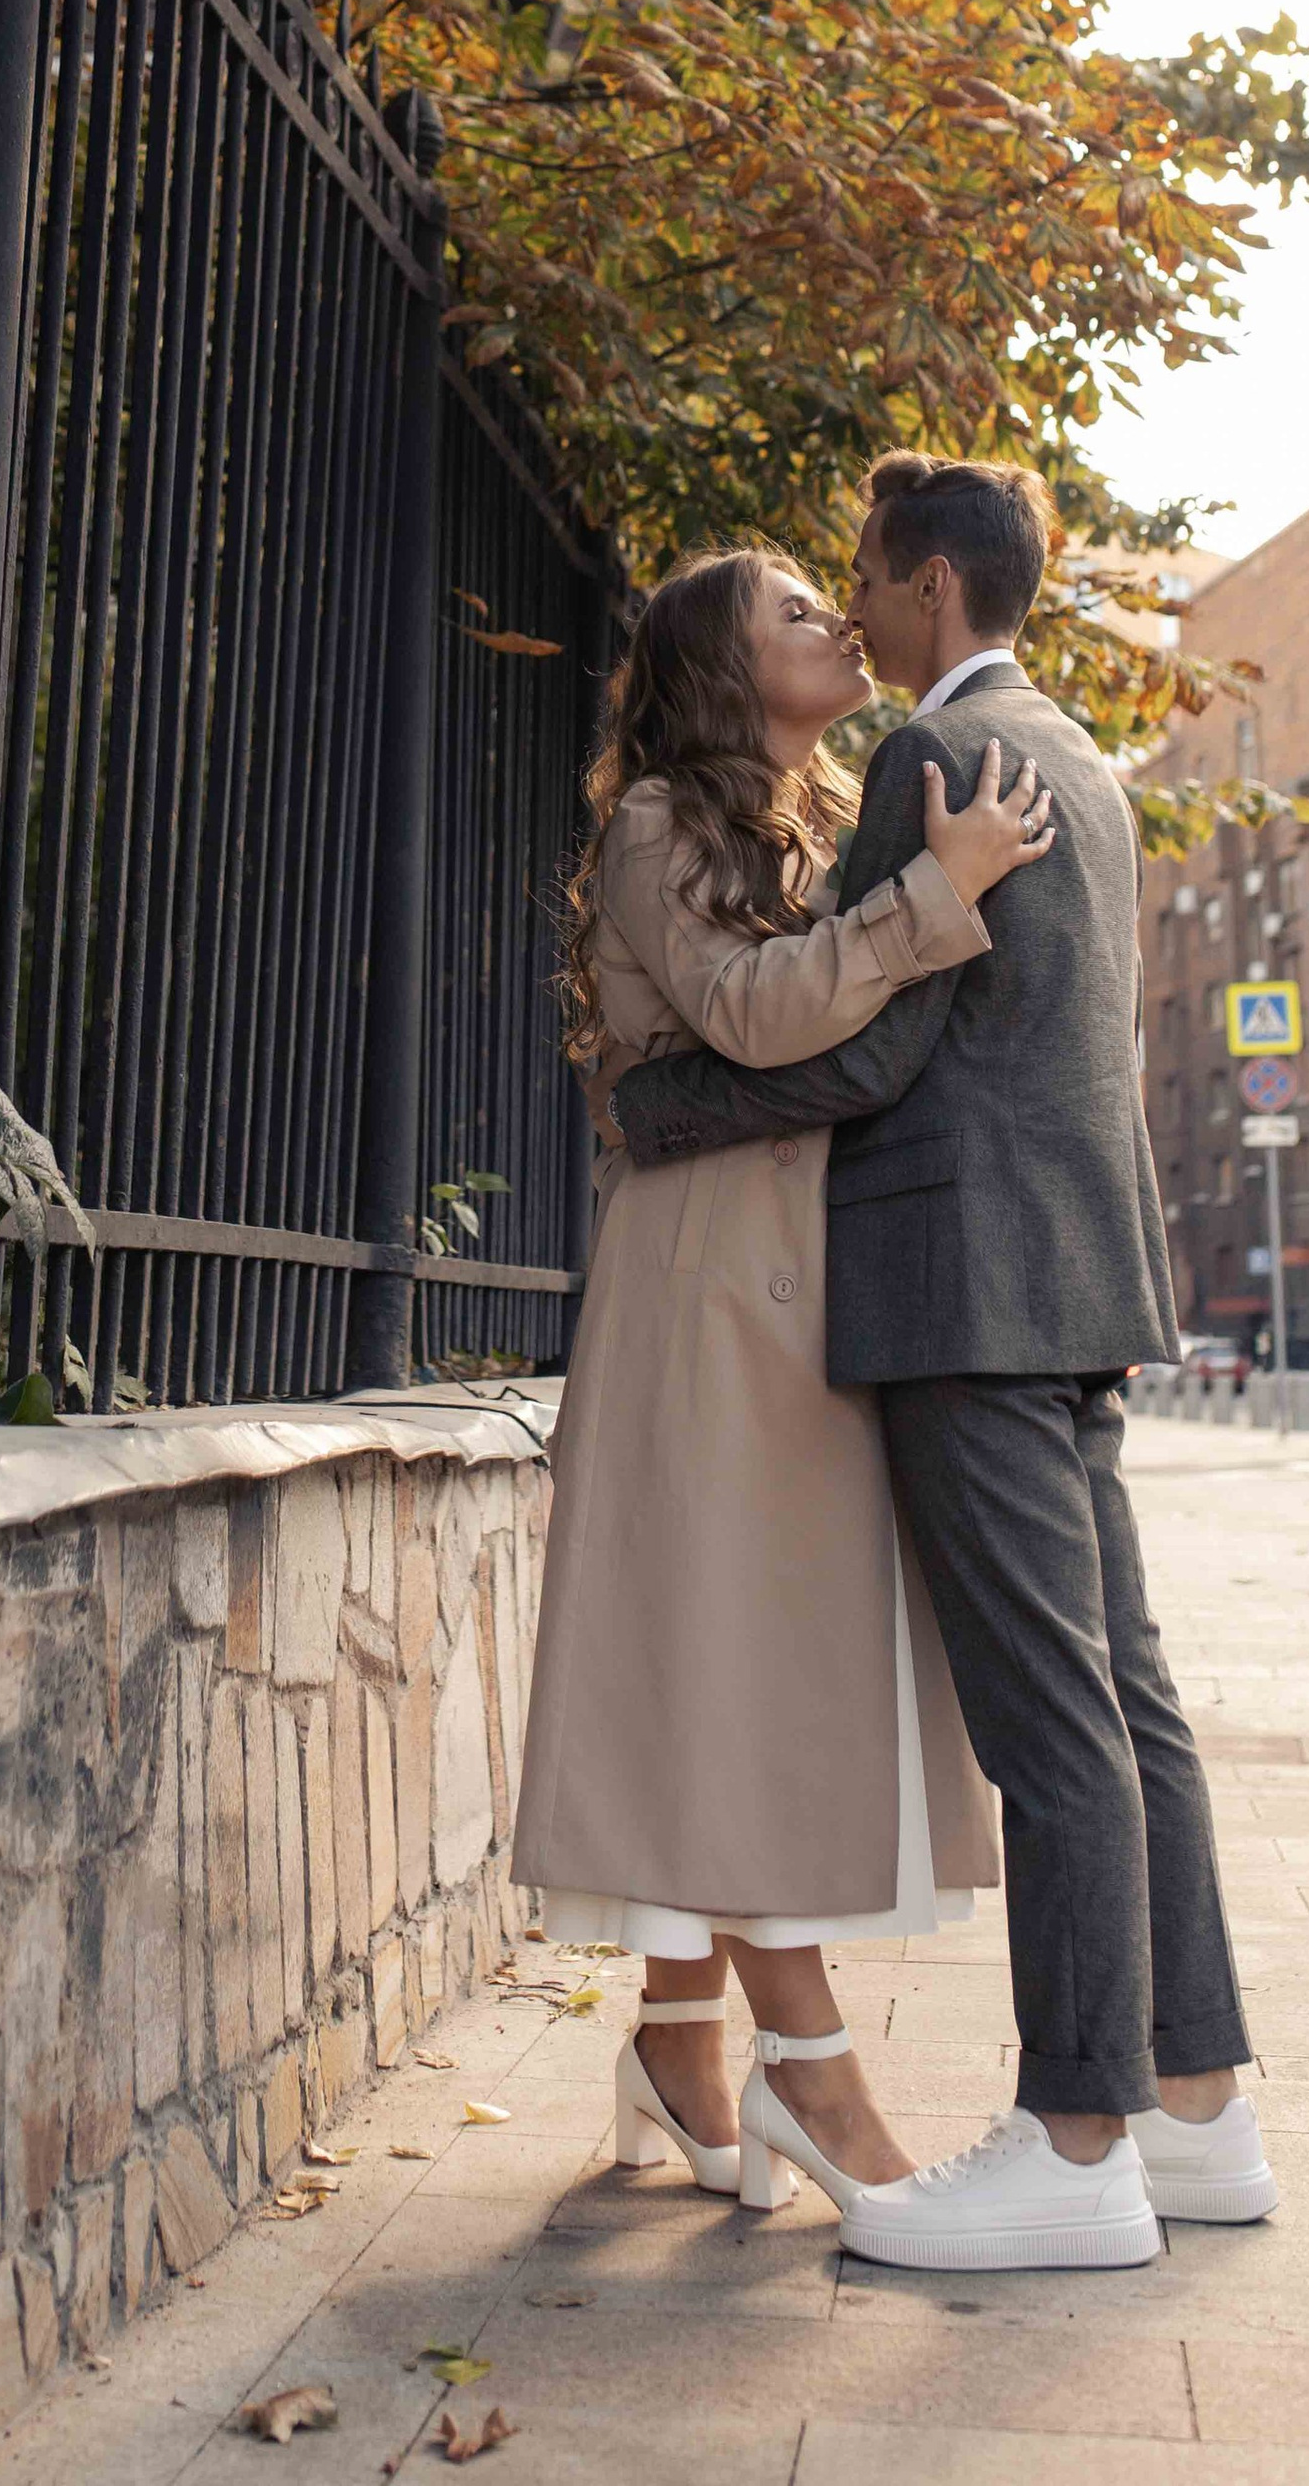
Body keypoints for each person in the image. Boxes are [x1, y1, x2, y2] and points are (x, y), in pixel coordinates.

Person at [614, 457, 1274, 2272]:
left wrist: (657, 1101)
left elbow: (883, 1054)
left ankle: (1075, 2145)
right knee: (1129, 1699)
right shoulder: (1080, 756)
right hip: (1079, 1276)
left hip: (966, 1289)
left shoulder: (931, 759)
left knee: (1051, 1720)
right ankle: (1199, 2110)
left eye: (863, 580)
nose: (852, 604)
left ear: (923, 587)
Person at [511, 545, 1054, 2211]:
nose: (833, 621)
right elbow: (751, 1014)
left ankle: (681, 2040)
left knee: (734, 1664)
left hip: (790, 1280)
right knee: (734, 1668)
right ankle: (811, 2077)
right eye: (794, 612)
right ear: (723, 670)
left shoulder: (810, 818)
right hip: (706, 1297)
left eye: (837, 599)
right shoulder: (664, 823)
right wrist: (933, 891)